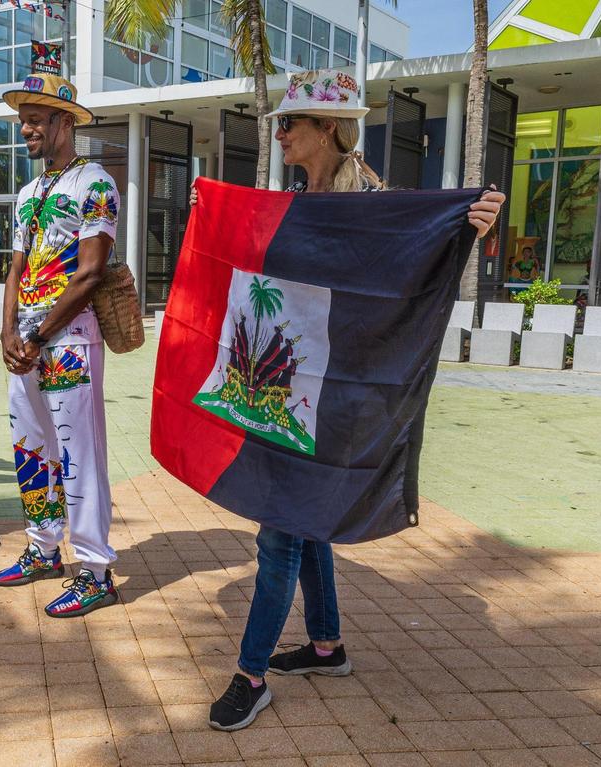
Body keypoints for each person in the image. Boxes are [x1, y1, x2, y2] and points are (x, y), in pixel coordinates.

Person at [190, 69, 508, 731]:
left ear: (328, 129)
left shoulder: (372, 203)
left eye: (290, 124)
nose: (281, 134)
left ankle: (251, 675)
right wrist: (213, 211)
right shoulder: (295, 200)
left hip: (336, 397)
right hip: (287, 385)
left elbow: (416, 252)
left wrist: (471, 226)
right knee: (304, 517)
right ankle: (327, 645)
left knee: (279, 526)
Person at [0, 73, 122, 618]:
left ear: (65, 122)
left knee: (77, 455)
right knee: (31, 448)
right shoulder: (28, 193)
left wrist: (38, 336)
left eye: (35, 120)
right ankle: (44, 550)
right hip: (27, 344)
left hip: (69, 342)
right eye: (22, 121)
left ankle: (95, 572)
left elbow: (90, 273)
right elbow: (15, 268)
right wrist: (7, 333)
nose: (25, 130)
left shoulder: (96, 184)